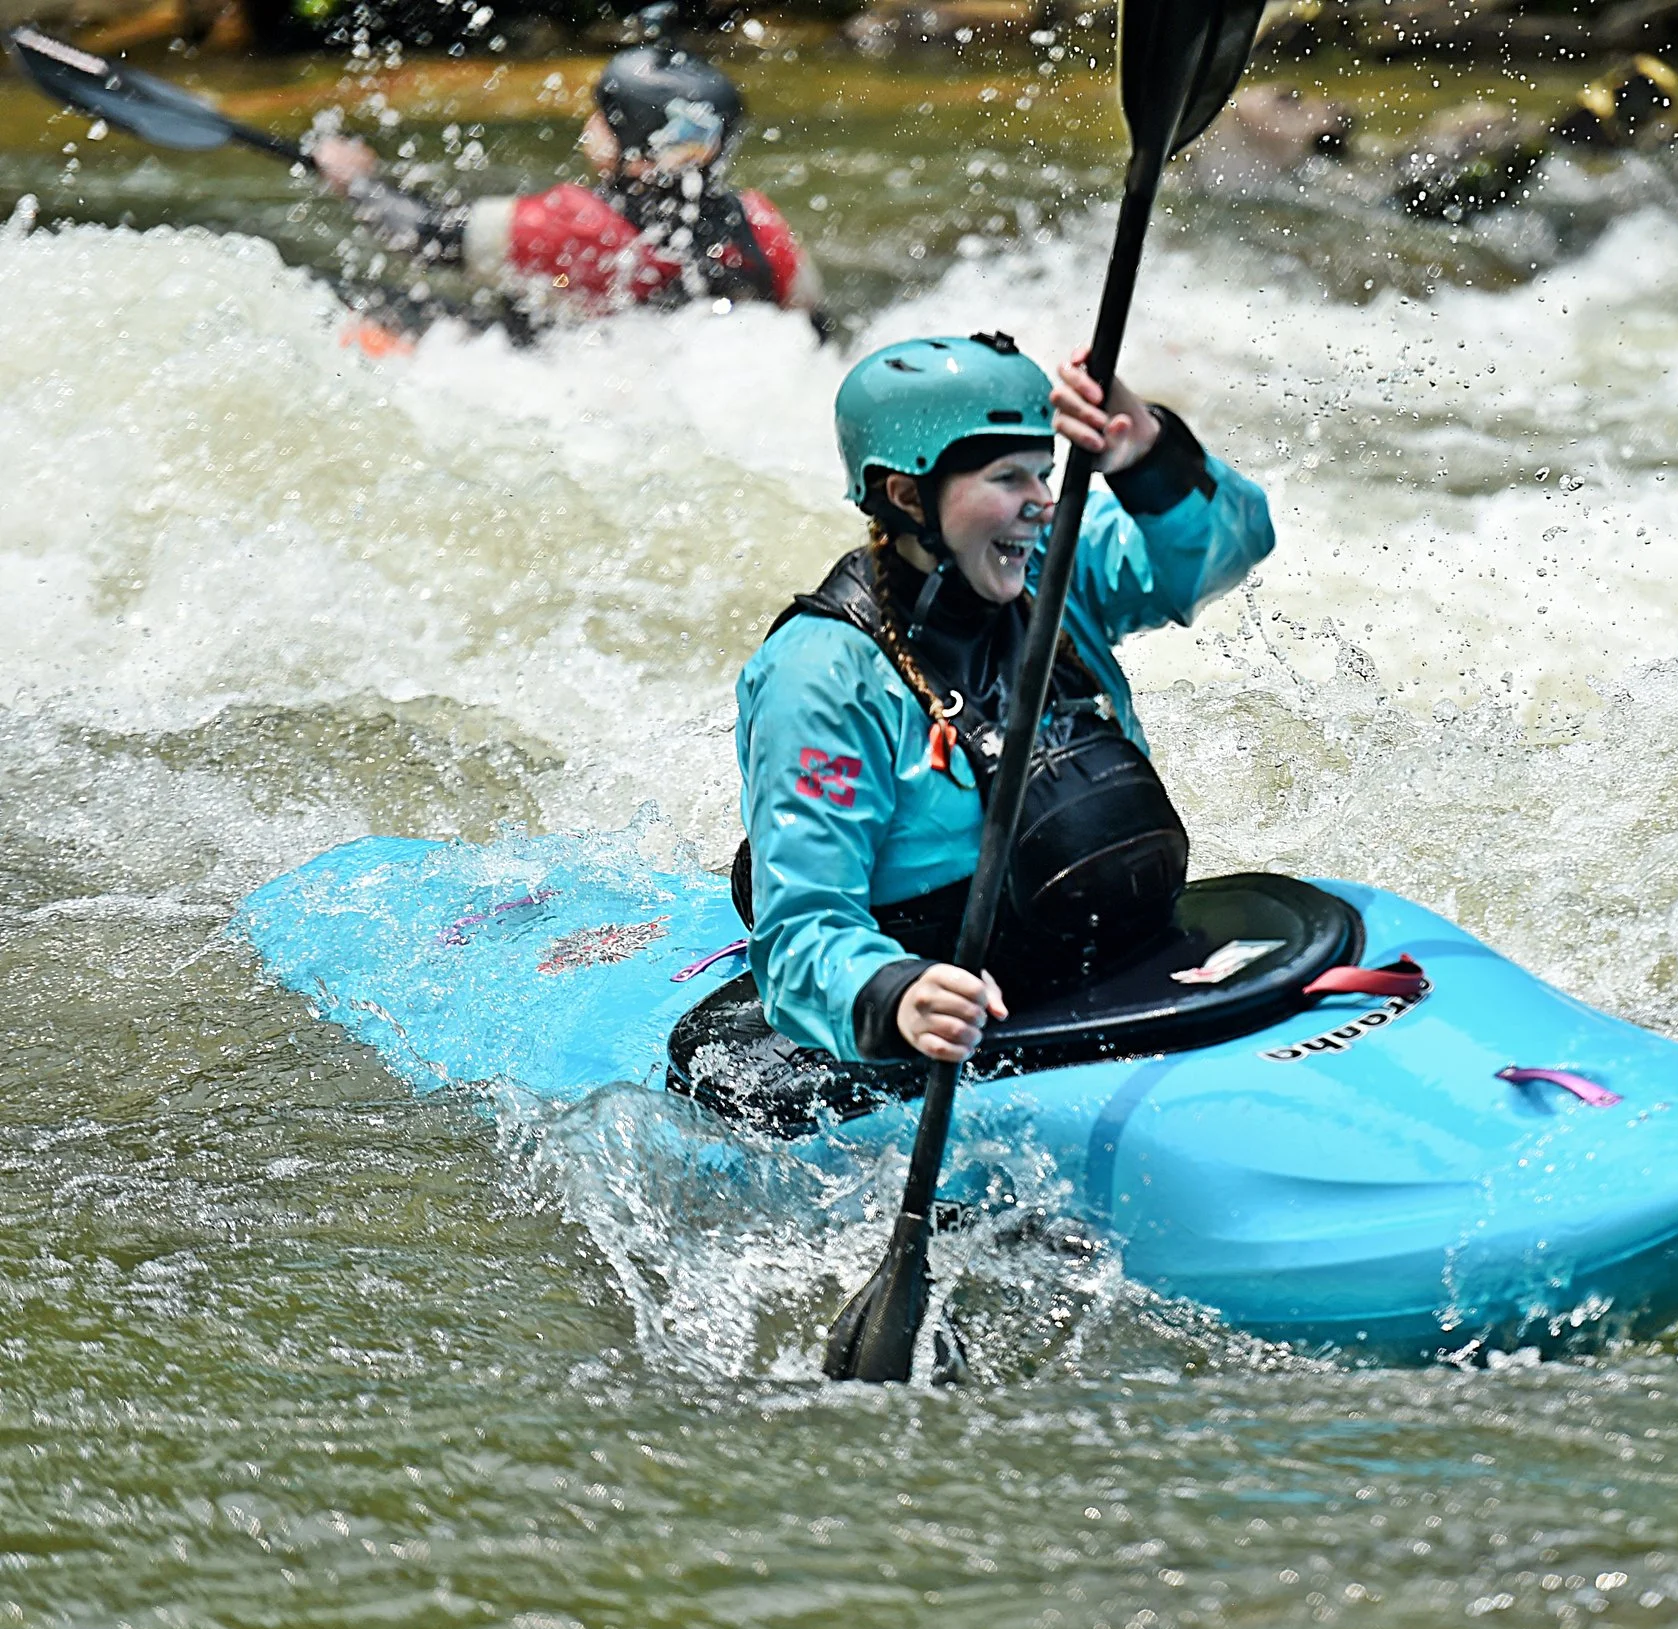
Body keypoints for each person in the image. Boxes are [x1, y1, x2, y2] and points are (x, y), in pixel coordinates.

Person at [733, 330, 1276, 1065]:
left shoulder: (1051, 579)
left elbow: (1226, 548)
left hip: (1122, 964)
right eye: (1008, 479)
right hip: (964, 1026)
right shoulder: (823, 676)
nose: (1042, 504)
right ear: (905, 494)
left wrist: (1143, 447)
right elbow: (801, 932)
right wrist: (897, 995)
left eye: (1045, 474)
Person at [309, 34, 824, 329]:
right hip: (667, 367)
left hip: (575, 371)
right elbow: (809, 324)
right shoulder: (760, 222)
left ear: (645, 157)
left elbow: (425, 236)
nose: (589, 126)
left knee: (373, 306)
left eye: (606, 117)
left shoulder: (573, 223)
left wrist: (358, 182)